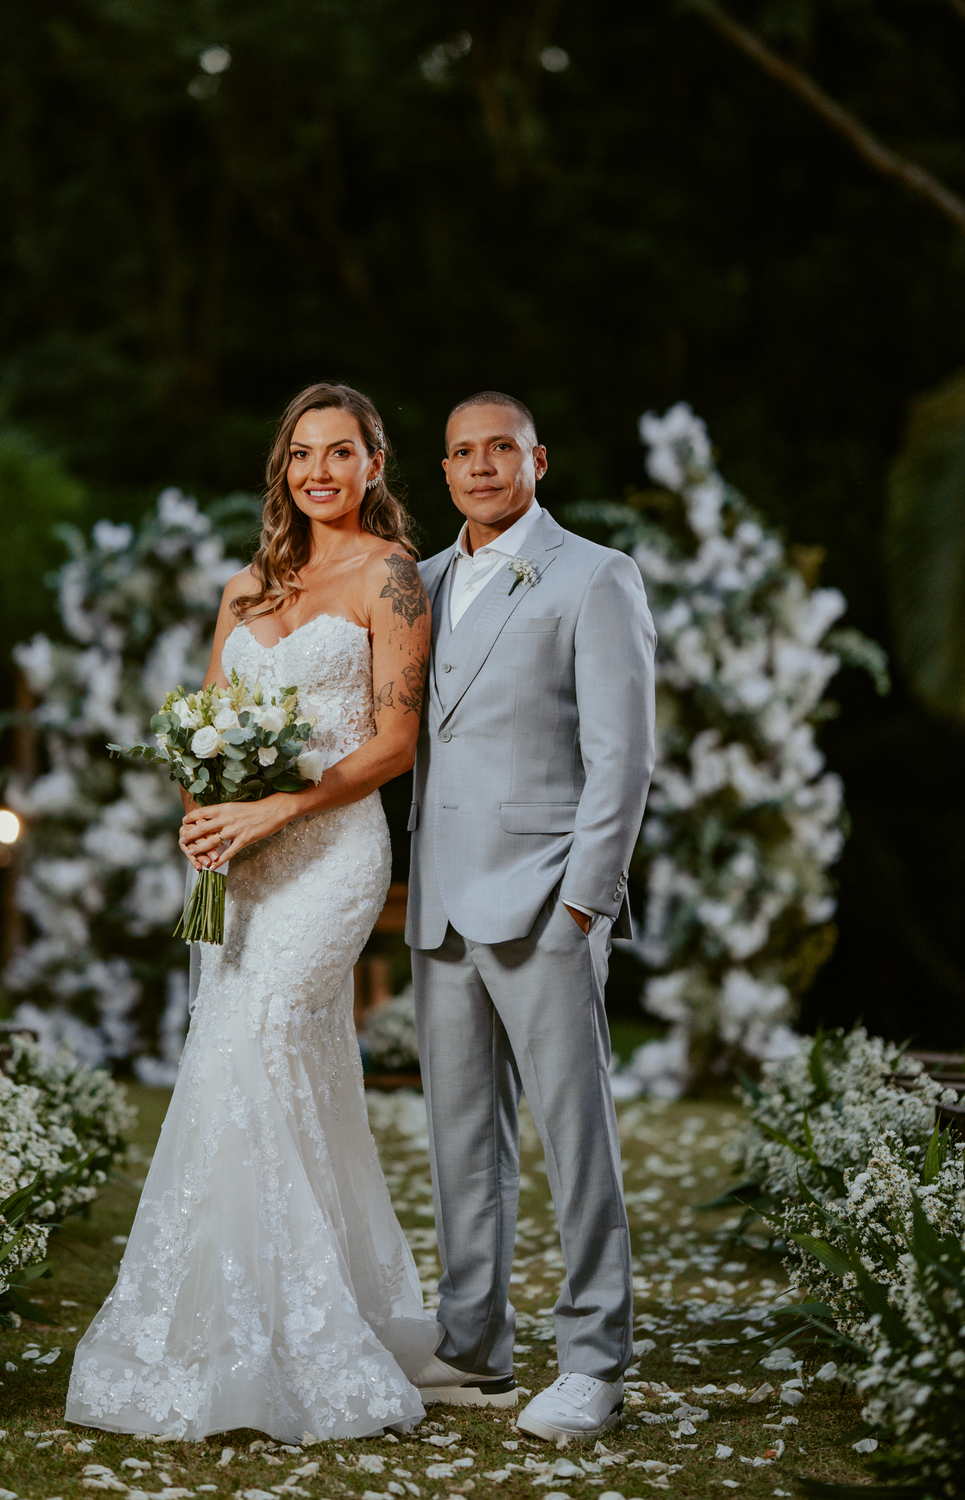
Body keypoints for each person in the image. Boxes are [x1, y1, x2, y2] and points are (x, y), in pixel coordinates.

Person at [65, 382, 437, 1442]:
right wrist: (202, 814)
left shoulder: (393, 577)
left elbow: (394, 743)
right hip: (242, 860)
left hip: (330, 855)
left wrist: (279, 805)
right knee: (264, 1056)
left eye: (341, 453)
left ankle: (304, 1342)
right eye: (302, 454)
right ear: (284, 468)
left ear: (374, 464)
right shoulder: (246, 590)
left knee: (262, 1038)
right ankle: (234, 1323)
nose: (319, 471)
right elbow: (203, 725)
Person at [406, 392, 656, 1443]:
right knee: (463, 1138)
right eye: (460, 451)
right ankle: (475, 1343)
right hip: (442, 907)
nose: (478, 465)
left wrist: (587, 901)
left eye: (497, 447)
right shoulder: (415, 586)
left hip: (550, 898)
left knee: (573, 1134)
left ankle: (595, 1357)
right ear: (446, 468)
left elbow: (624, 755)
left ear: (536, 459)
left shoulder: (596, 576)